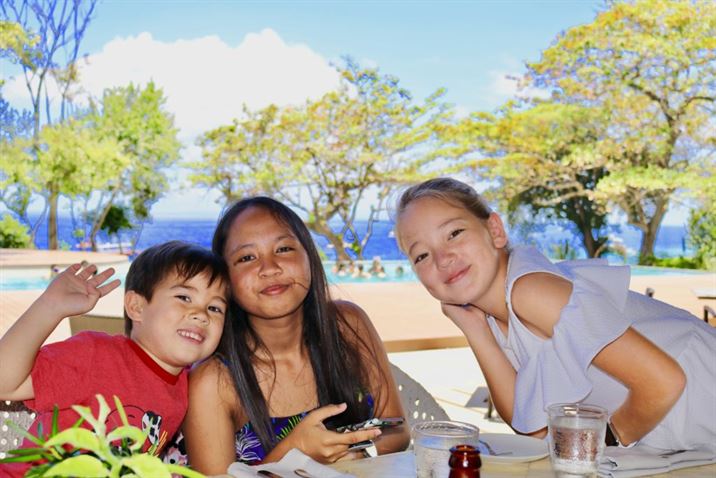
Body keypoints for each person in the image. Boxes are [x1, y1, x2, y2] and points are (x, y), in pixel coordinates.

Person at [393, 177, 716, 452]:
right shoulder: (495, 314)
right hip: (673, 423)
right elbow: (529, 425)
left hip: (701, 388)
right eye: (421, 255)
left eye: (454, 233)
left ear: (495, 230)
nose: (443, 258)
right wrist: (474, 329)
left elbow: (664, 381)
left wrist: (600, 447)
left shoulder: (530, 292)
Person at [183, 197, 409, 474]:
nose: (269, 268)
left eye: (284, 248)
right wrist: (294, 454)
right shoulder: (213, 382)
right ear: (226, 279)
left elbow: (396, 430)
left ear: (310, 258)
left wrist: (356, 453)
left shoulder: (349, 326)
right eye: (247, 258)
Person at [0, 241, 228, 477]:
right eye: (184, 297)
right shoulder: (96, 355)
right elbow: (5, 383)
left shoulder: (188, 386)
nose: (201, 315)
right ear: (136, 307)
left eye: (214, 308)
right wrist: (50, 307)